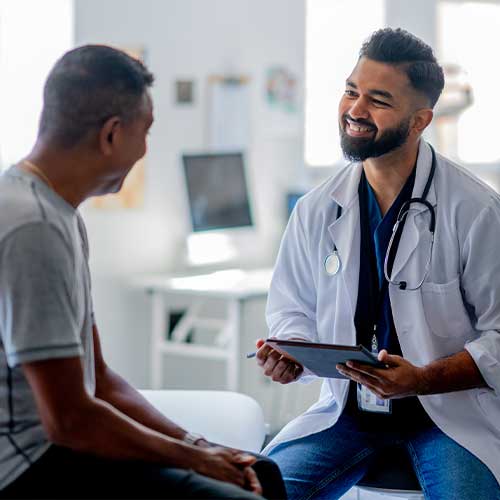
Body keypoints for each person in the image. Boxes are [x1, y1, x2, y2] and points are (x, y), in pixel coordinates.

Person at [0, 45, 285, 499]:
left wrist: (199, 444)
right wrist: (196, 460)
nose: (145, 150)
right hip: (28, 468)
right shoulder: (32, 226)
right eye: (145, 131)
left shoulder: (63, 216)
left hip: (63, 448)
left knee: (263, 473)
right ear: (112, 134)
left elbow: (101, 380)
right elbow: (69, 419)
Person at [255, 28, 500, 499]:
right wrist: (294, 353)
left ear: (419, 120)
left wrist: (423, 379)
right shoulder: (316, 208)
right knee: (258, 491)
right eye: (351, 91)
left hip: (449, 418)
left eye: (378, 100)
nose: (355, 110)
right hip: (347, 415)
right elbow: (292, 310)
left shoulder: (475, 211)